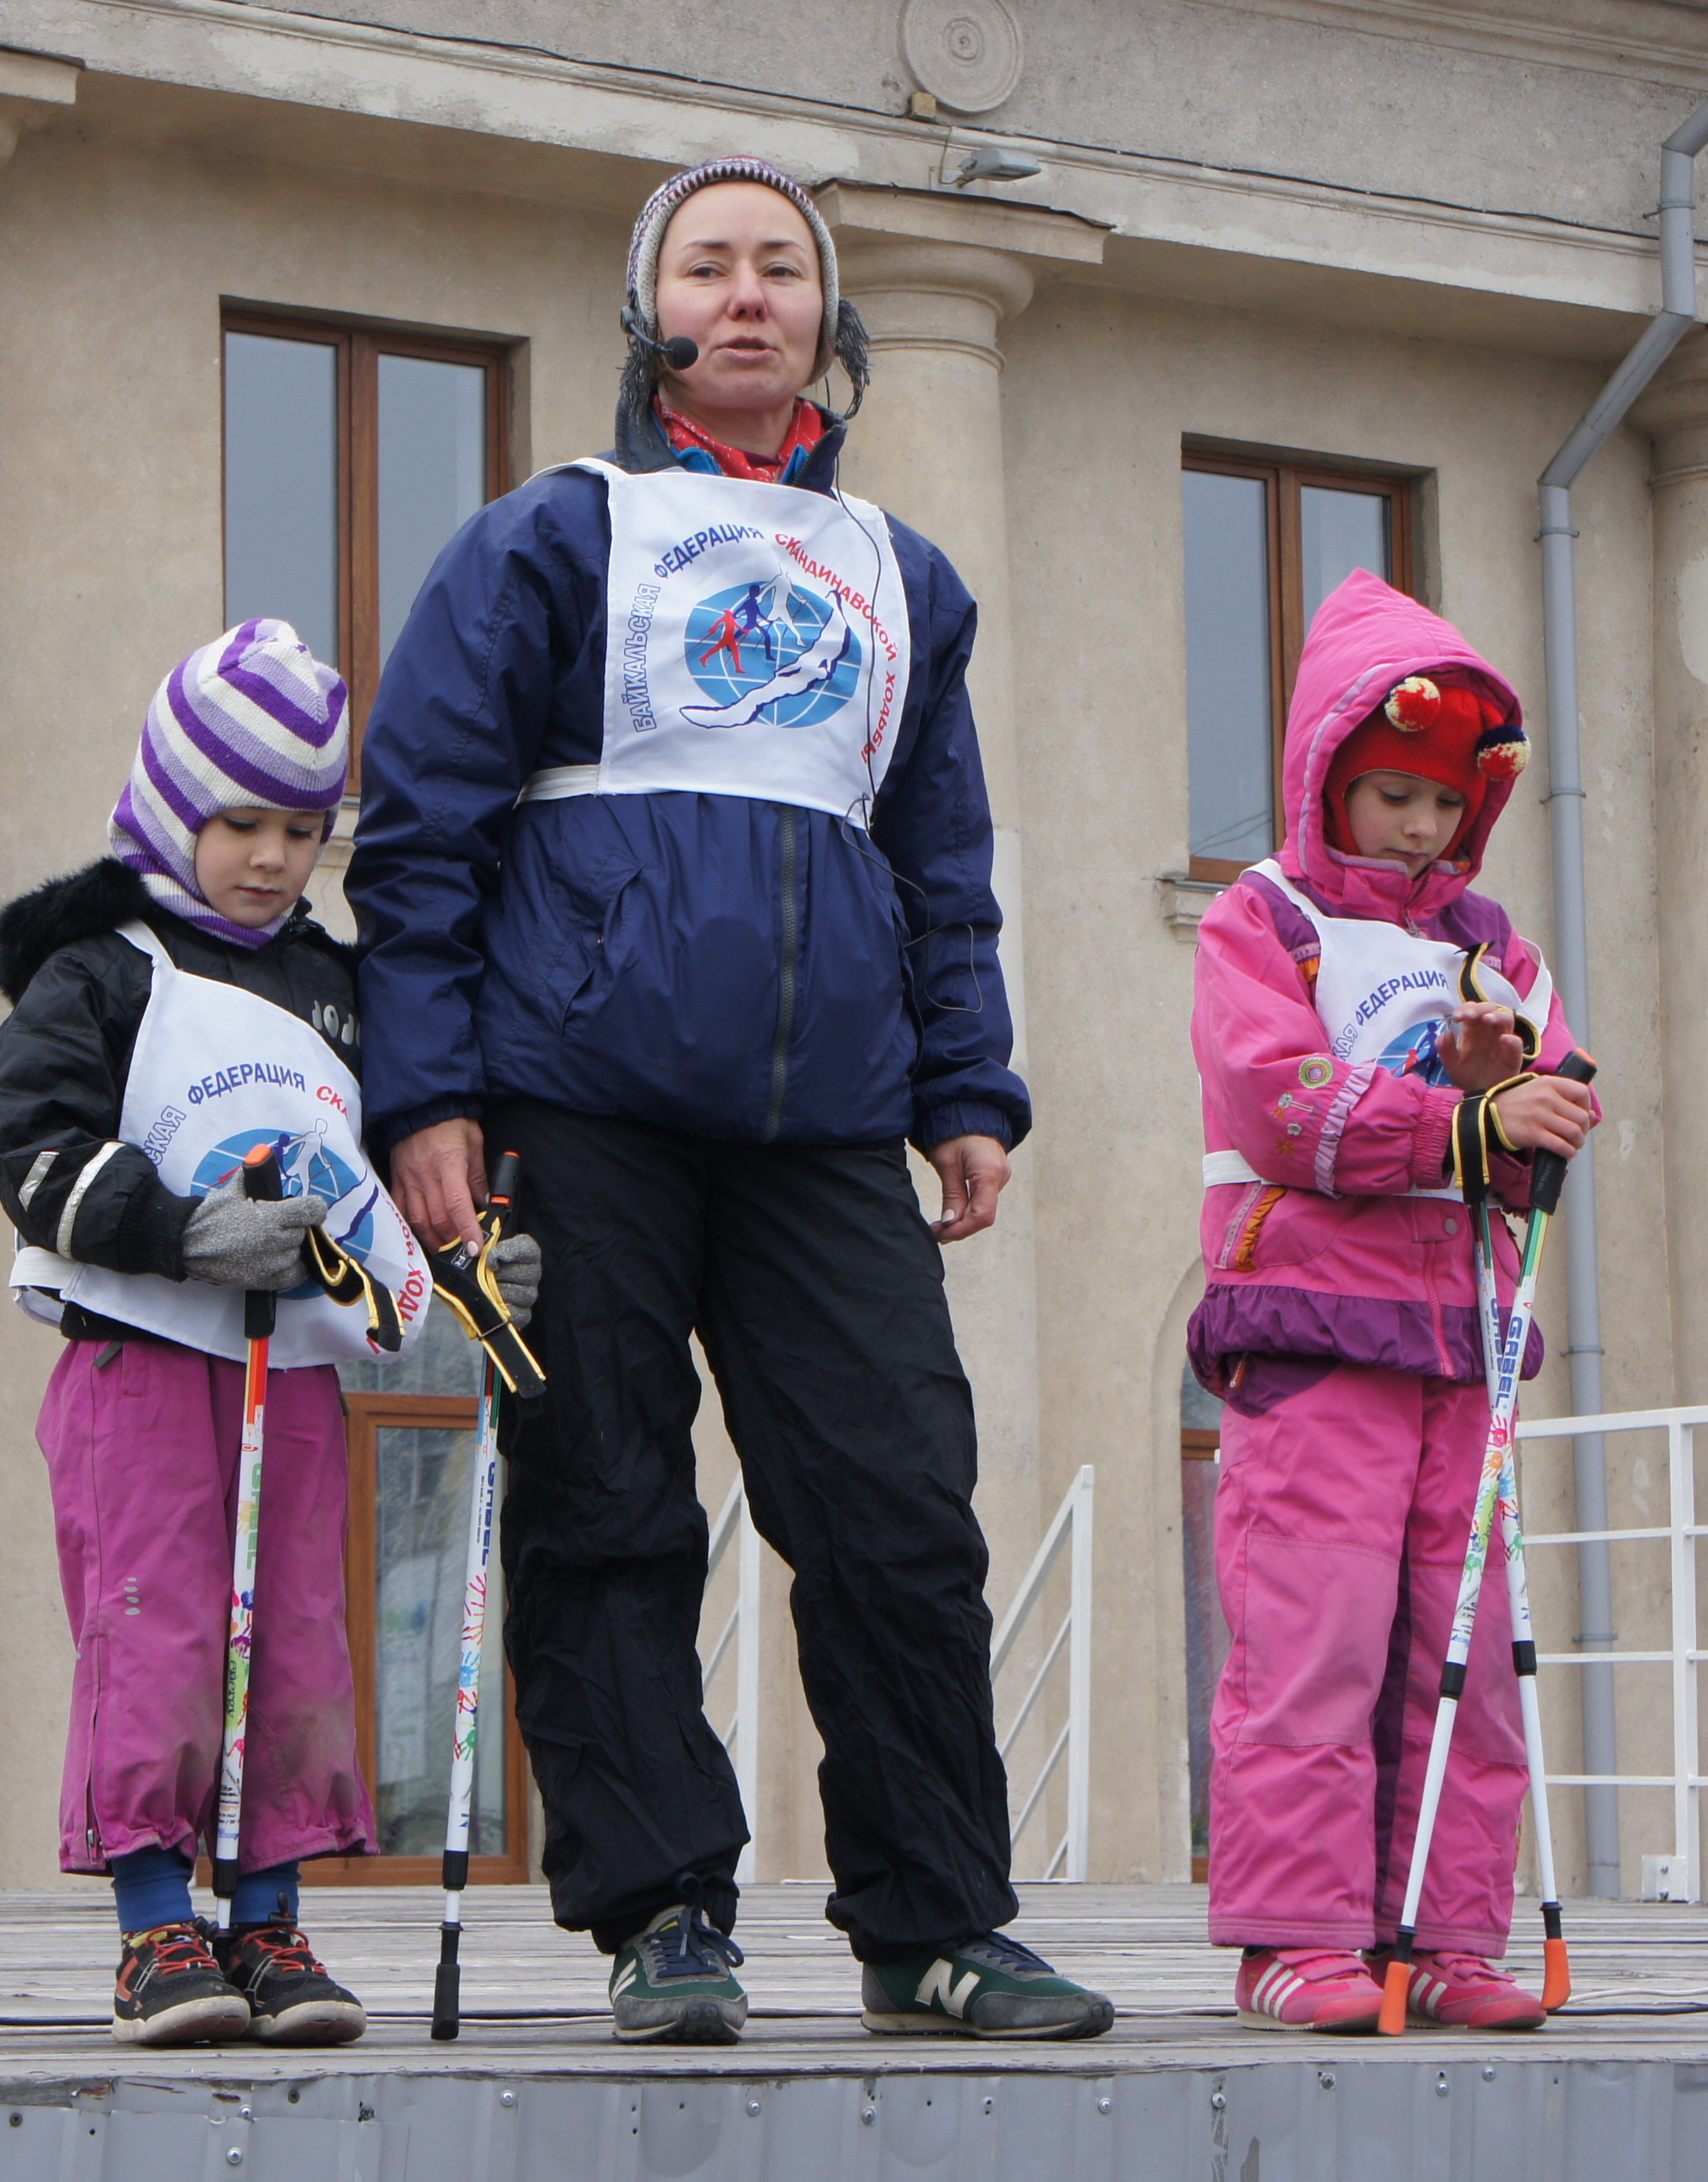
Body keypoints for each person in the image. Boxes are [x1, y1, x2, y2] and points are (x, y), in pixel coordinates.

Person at [348, 155, 1112, 2044]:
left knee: (897, 1509)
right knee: (605, 1502)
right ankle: (662, 1912)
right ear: (651, 313)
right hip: (570, 1103)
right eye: (709, 267)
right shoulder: (549, 536)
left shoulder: (905, 579)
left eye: (782, 266)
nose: (748, 295)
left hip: (829, 1123)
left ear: (829, 316)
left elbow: (942, 860)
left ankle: (934, 1922)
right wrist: (425, 1094)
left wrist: (968, 1081)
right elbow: (422, 833)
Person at [0, 620, 424, 2048]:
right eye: (241, 823)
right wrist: (180, 1231)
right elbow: (32, 1149)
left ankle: (271, 1924)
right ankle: (155, 1924)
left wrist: (471, 1269)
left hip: (291, 1372)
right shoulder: (100, 971)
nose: (272, 858)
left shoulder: (334, 988)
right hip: (144, 1361)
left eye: (303, 830)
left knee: (294, 1638)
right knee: (160, 1629)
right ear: (174, 807)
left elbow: (381, 1184)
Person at [1186, 568, 1602, 2032]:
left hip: (1462, 1343)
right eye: (1390, 795)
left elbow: (1553, 1111)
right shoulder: (1266, 917)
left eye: (1443, 802)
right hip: (1312, 1329)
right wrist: (1459, 1123)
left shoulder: (1498, 947)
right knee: (1317, 1637)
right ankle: (1295, 1940)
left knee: (1463, 1657)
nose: (1419, 827)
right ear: (1329, 781)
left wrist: (1518, 1091)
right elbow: (1276, 1094)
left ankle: (1445, 1935)